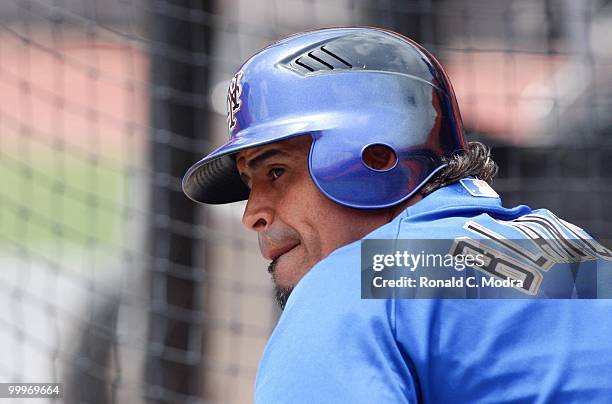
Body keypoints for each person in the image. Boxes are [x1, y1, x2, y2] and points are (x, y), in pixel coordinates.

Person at [182, 27, 612, 403]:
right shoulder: (574, 254)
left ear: (375, 159)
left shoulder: (350, 286)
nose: (252, 215)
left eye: (276, 172)